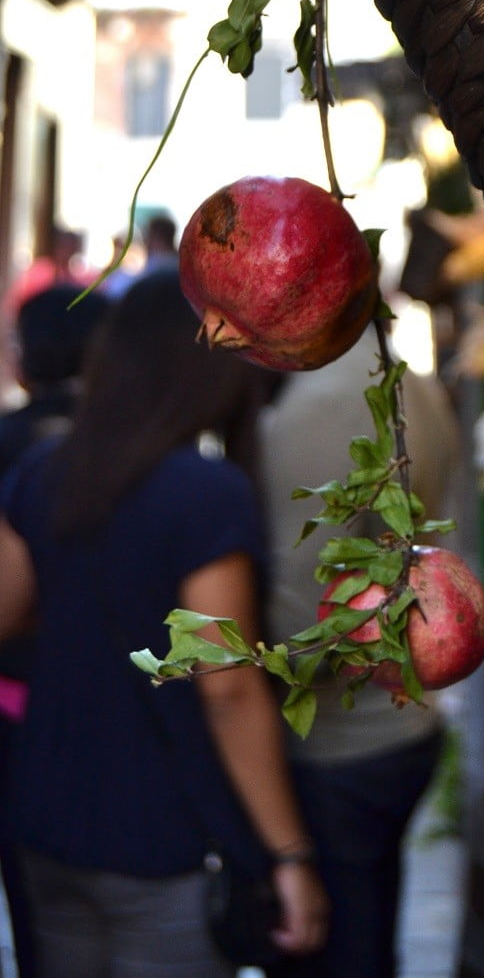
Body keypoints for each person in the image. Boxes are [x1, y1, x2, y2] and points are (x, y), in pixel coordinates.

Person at [0, 270, 329, 978]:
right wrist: (290, 853)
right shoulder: (205, 494)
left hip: (46, 819)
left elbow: (5, 610)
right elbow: (227, 688)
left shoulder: (46, 471)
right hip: (164, 839)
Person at [258, 326, 460, 978]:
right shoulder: (404, 381)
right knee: (365, 939)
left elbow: (303, 621)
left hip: (341, 745)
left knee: (341, 950)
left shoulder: (324, 401)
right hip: (394, 724)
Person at [0, 282, 110, 978]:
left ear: (21, 360)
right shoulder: (136, 443)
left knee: (33, 903)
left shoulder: (6, 439)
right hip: (120, 698)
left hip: (15, 702)